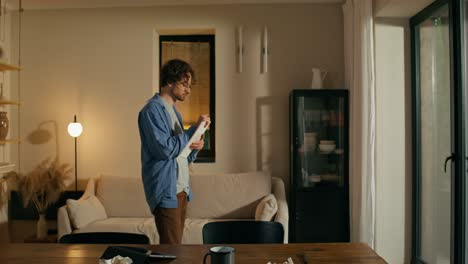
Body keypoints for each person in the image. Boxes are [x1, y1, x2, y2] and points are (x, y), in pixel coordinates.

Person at [138, 59, 210, 244]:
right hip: (166, 191)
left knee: (175, 249)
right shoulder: (151, 111)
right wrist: (192, 130)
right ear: (170, 81)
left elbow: (181, 154)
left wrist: (196, 143)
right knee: (172, 251)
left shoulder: (174, 112)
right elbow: (165, 149)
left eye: (189, 86)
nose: (188, 90)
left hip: (181, 189)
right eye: (184, 84)